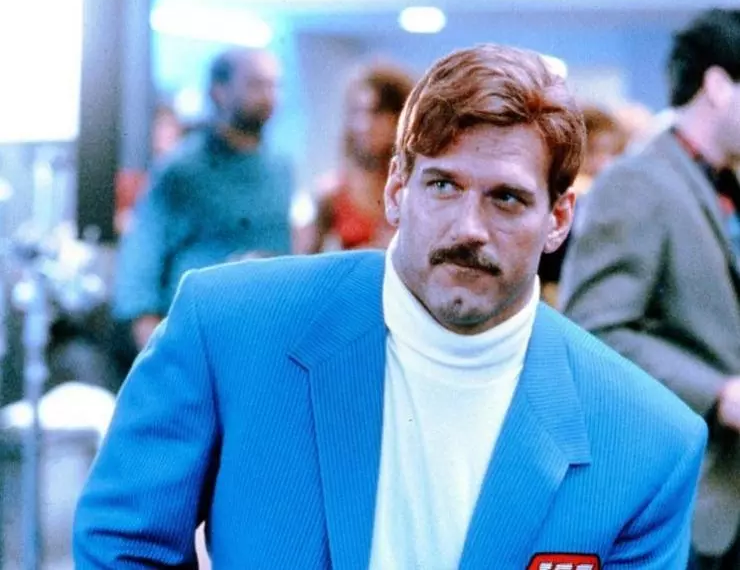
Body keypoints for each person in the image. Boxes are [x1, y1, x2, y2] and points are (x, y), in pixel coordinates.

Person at [74, 43, 706, 568]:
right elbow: (124, 543)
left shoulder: (647, 441)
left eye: (507, 199)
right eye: (443, 184)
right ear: (398, 187)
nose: (469, 228)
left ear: (559, 218)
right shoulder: (230, 326)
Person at [559, 9, 740, 569]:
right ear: (717, 85)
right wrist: (719, 392)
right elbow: (594, 331)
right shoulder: (636, 181)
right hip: (696, 496)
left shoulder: (724, 183)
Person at [111, 48, 294, 365]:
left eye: (274, 85)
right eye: (255, 85)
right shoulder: (180, 170)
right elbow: (140, 265)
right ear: (219, 91)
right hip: (195, 344)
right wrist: (157, 356)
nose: (268, 96)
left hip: (265, 341)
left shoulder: (281, 168)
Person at [307, 62, 414, 252]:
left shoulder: (416, 185)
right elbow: (309, 261)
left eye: (377, 112)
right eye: (357, 112)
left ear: (399, 117)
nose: (365, 125)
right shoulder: (332, 193)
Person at [538, 105, 628, 305]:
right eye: (594, 151)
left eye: (611, 153)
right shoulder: (556, 195)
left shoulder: (615, 198)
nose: (603, 162)